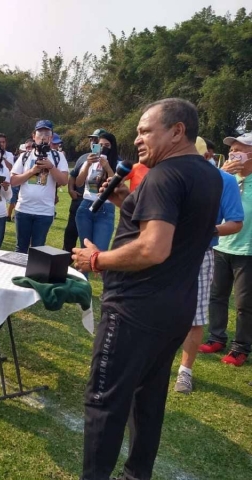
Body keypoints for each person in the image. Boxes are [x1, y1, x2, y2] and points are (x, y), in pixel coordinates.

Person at [72, 98, 222, 480]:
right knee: (148, 399)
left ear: (177, 131)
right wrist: (128, 202)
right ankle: (136, 475)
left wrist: (97, 261)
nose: (137, 140)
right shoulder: (206, 174)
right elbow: (178, 228)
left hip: (135, 310)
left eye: (145, 131)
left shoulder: (164, 175)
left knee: (104, 400)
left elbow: (154, 248)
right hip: (175, 309)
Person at [173, 136, 243, 394]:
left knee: (196, 315)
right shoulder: (168, 174)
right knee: (156, 308)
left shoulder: (223, 181)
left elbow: (236, 221)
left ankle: (185, 372)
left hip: (199, 255)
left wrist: (206, 229)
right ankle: (151, 363)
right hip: (161, 253)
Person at [199, 132, 252, 367]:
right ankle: (216, 337)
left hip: (248, 250)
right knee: (216, 296)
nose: (233, 154)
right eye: (231, 150)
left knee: (244, 304)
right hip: (221, 245)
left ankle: (241, 347)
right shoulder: (222, 178)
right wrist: (223, 176)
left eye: (238, 150)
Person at [10, 120, 68, 252]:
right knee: (20, 248)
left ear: (51, 137)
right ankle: (20, 273)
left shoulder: (58, 156)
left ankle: (33, 273)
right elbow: (13, 181)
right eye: (40, 133)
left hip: (44, 211)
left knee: (38, 249)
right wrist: (32, 171)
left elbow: (64, 180)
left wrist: (51, 167)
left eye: (47, 133)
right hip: (24, 209)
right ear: (33, 136)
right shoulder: (25, 156)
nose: (43, 136)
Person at [75, 132, 119, 252]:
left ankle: (97, 272)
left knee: (100, 252)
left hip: (106, 209)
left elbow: (116, 186)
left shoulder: (118, 164)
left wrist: (108, 167)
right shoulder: (89, 161)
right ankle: (82, 272)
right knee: (85, 251)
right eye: (100, 145)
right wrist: (88, 164)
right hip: (86, 207)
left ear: (112, 147)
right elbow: (78, 183)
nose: (104, 148)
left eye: (107, 145)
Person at [63, 128, 105, 254]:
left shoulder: (110, 159)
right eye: (92, 139)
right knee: (70, 234)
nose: (93, 142)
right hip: (78, 202)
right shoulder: (83, 158)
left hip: (97, 205)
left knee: (89, 239)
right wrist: (71, 189)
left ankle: (90, 261)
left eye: (96, 140)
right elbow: (73, 176)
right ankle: (65, 260)